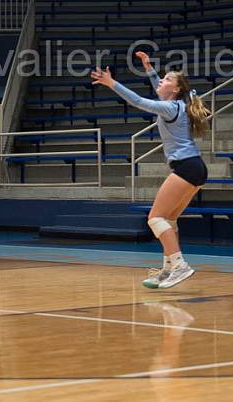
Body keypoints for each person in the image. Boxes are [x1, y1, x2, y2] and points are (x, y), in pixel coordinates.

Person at [90, 51, 211, 289]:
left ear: (175, 89)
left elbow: (138, 102)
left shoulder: (170, 107)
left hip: (187, 167)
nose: (162, 82)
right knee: (169, 219)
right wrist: (149, 69)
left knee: (155, 218)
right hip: (194, 167)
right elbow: (161, 89)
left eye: (167, 79)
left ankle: (179, 265)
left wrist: (112, 83)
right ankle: (168, 268)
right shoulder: (176, 103)